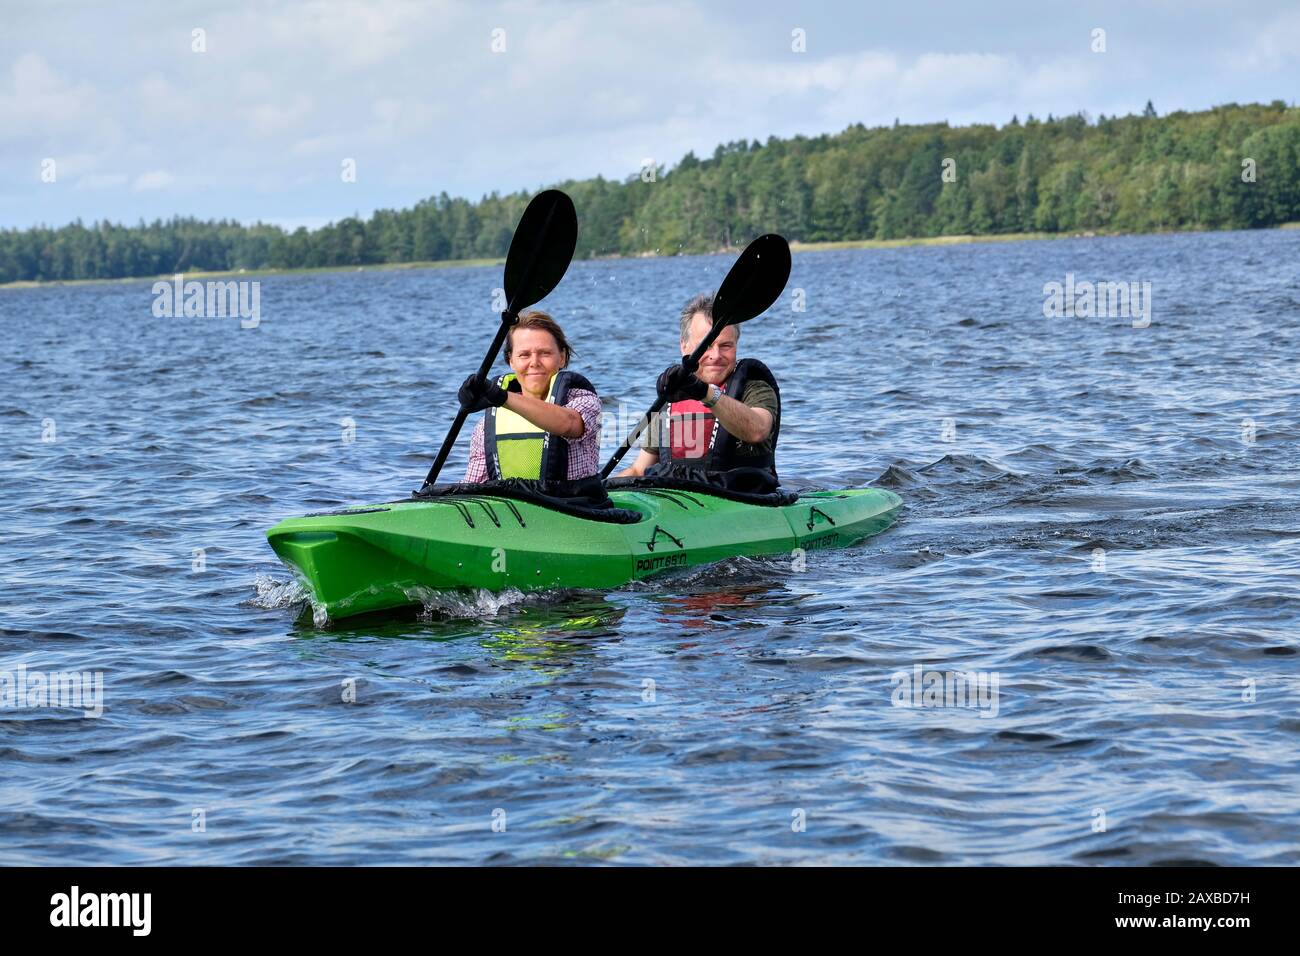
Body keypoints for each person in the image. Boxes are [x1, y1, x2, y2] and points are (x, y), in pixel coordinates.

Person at [617, 292, 780, 482]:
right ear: (684, 346)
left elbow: (757, 430)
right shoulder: (673, 396)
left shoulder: (754, 388)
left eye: (726, 345)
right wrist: (601, 493)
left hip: (743, 496)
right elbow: (638, 470)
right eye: (706, 346)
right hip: (683, 500)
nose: (716, 355)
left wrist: (705, 392)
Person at [458, 311, 601, 483]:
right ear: (511, 361)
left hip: (574, 504)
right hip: (513, 507)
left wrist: (499, 396)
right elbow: (472, 486)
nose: (534, 362)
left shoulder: (583, 400)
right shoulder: (487, 424)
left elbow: (567, 424)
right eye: (524, 355)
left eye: (545, 353)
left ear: (562, 358)